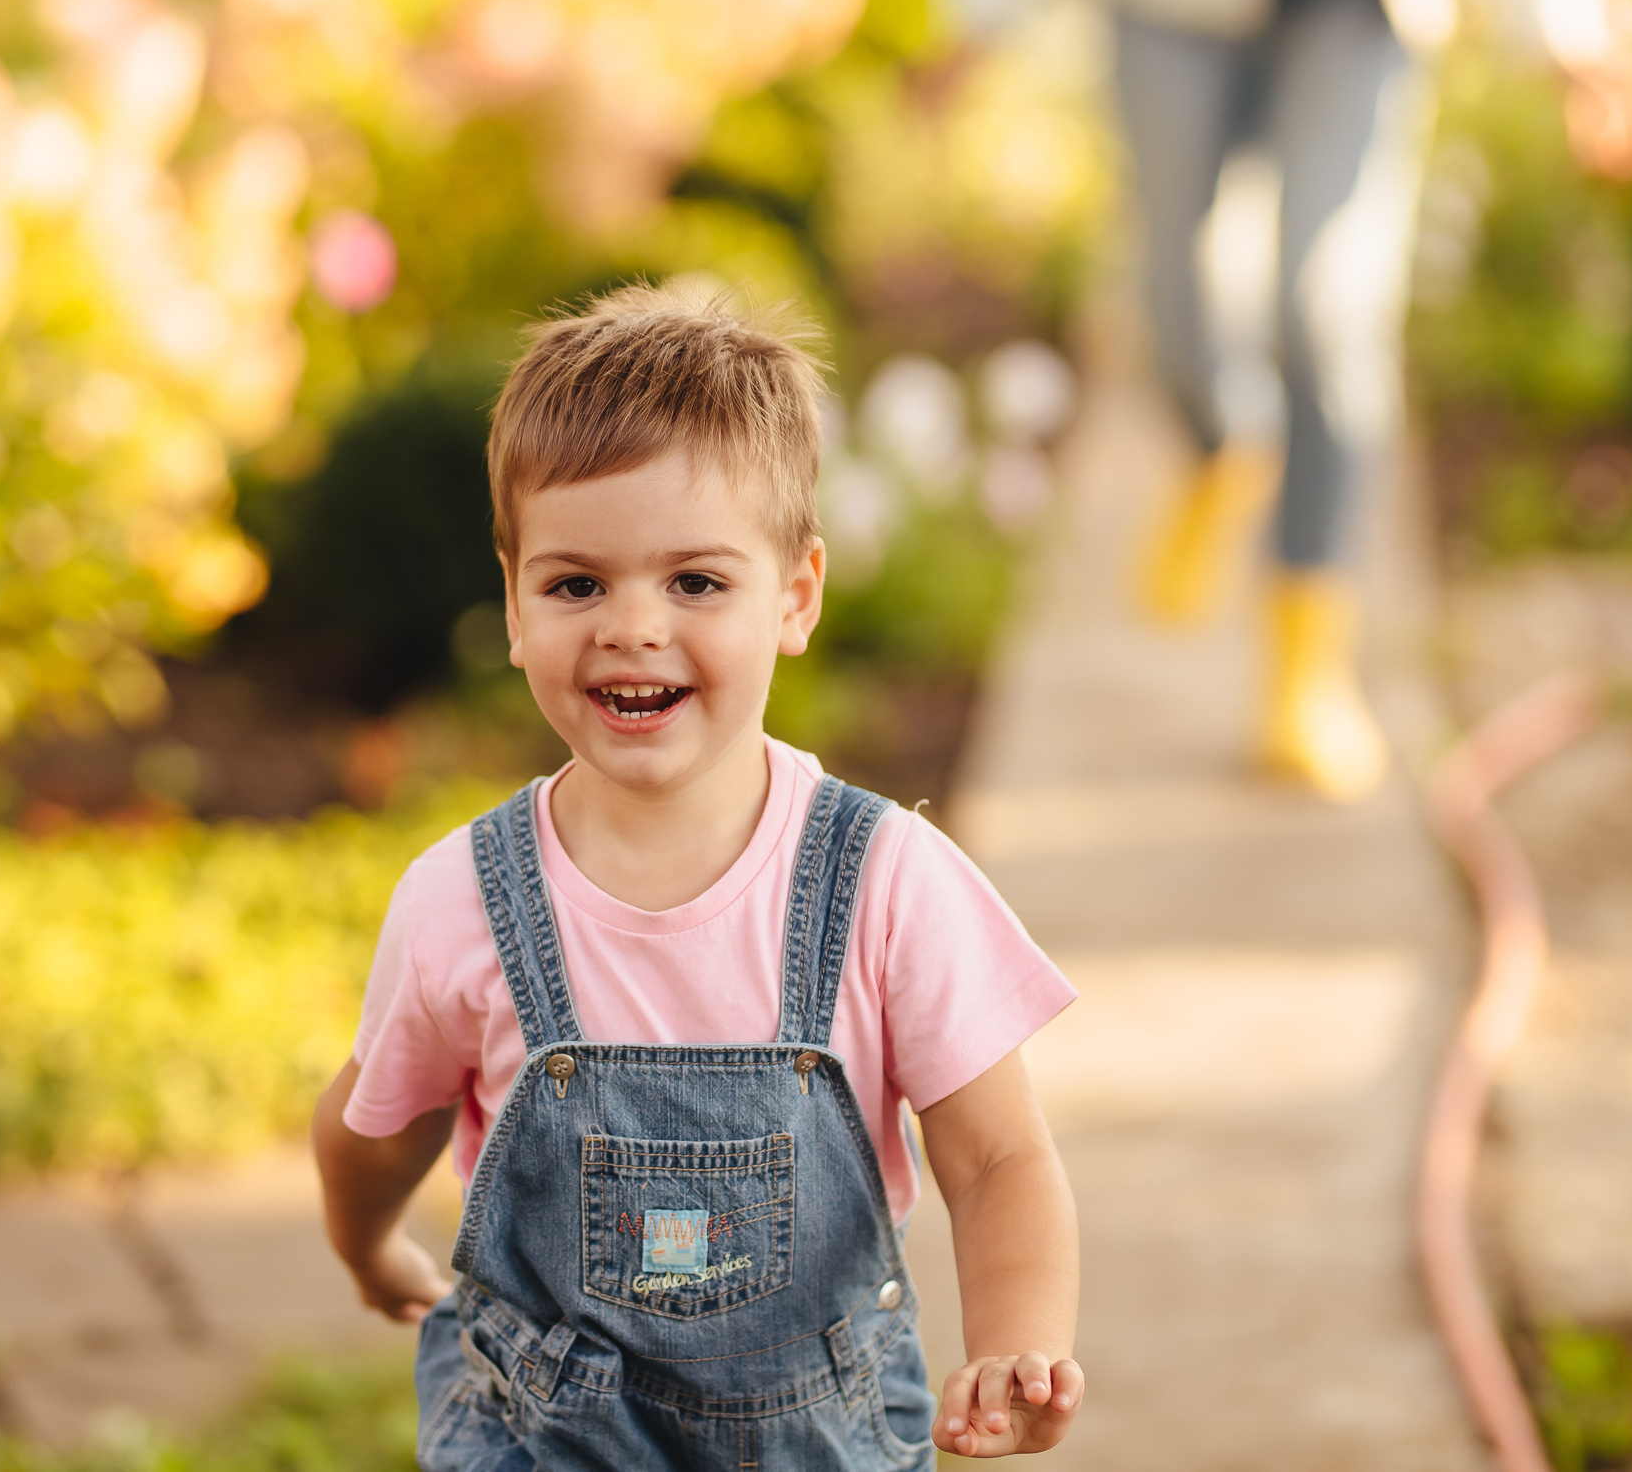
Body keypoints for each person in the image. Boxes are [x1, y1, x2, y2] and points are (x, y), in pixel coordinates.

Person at [311, 285, 1085, 1469]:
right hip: (540, 1441)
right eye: (576, 584)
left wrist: (1014, 1343)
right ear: (514, 605)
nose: (632, 626)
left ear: (796, 594)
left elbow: (998, 1158)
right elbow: (377, 1120)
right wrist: (366, 1244)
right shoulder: (460, 901)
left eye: (695, 582)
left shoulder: (884, 882)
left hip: (815, 1443)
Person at [959, 0, 1632, 801]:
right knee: (1171, 292)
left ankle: (1305, 664)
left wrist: (1569, 31)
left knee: (1326, 306)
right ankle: (1221, 445)